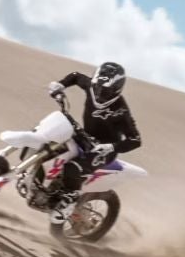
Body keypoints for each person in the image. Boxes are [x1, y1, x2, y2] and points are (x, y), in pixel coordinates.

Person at [45, 62, 142, 223]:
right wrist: (60, 84)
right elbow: (76, 76)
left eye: (104, 91)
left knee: (72, 168)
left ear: (116, 90)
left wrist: (111, 146)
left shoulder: (121, 110)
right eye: (96, 87)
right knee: (53, 143)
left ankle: (69, 201)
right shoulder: (92, 85)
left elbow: (135, 140)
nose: (98, 93)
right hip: (85, 136)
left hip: (104, 150)